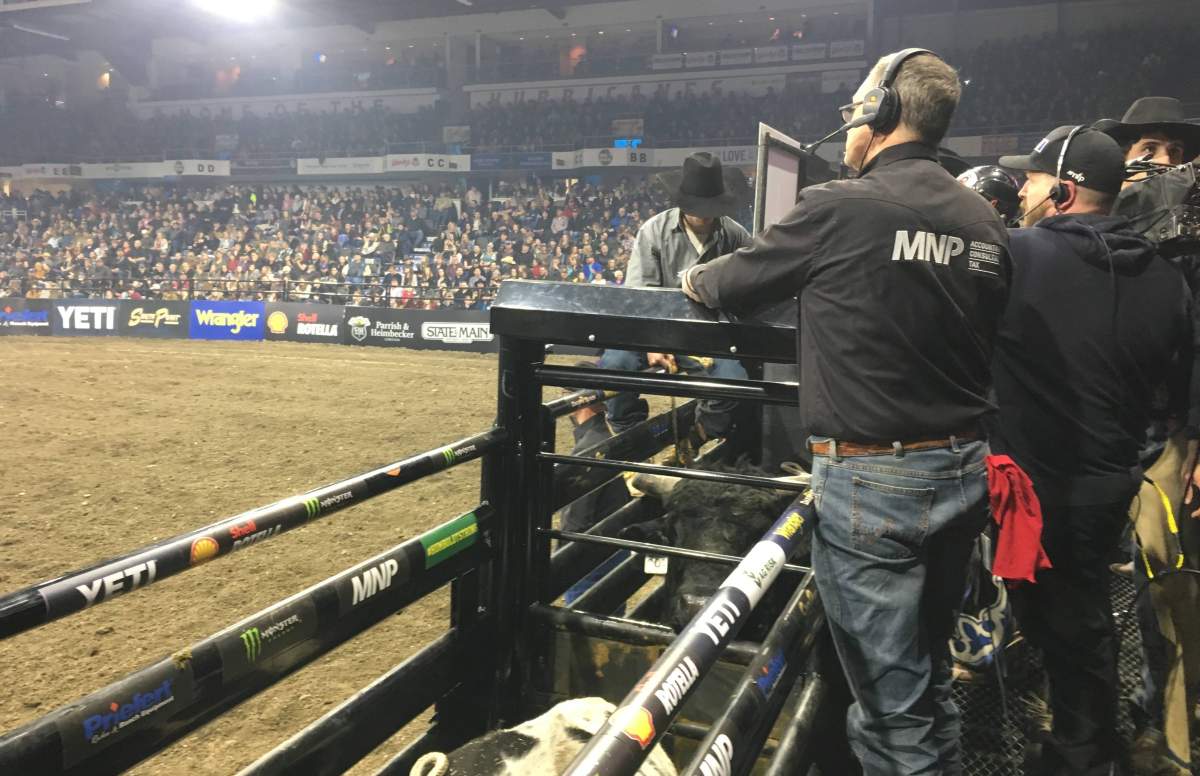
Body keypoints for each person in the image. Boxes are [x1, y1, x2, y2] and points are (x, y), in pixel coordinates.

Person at [683, 49, 1010, 774]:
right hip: (961, 471)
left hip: (873, 487)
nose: (849, 121)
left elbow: (723, 285)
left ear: (881, 113)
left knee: (892, 719)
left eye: (856, 106)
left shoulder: (839, 205)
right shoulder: (984, 220)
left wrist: (692, 276)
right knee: (928, 685)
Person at [995, 125, 1193, 775]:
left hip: (1036, 489)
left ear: (1062, 188)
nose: (1020, 188)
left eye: (1029, 177)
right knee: (1082, 617)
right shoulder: (1167, 280)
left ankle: (1083, 752)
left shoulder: (1016, 256)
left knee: (1066, 627)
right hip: (1115, 484)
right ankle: (1089, 739)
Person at [1099, 96, 1200, 776]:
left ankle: (1175, 740)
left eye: (1160, 146)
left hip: (1175, 441)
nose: (1146, 156)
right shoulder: (1122, 230)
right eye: (1138, 145)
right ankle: (1150, 713)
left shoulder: (1191, 237)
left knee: (1173, 593)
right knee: (1143, 588)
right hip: (1122, 434)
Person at [598, 151, 753, 444]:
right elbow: (639, 296)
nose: (702, 213)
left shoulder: (735, 236)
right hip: (650, 329)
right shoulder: (653, 232)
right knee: (616, 365)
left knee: (733, 379)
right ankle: (626, 435)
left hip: (707, 335)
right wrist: (654, 342)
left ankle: (701, 437)